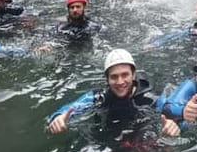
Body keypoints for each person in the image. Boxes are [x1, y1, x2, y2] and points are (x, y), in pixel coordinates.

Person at [46, 49, 180, 139]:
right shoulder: (99, 97)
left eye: (125, 75)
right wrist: (58, 118)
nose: (120, 82)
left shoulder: (151, 100)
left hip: (140, 138)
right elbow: (70, 109)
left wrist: (173, 124)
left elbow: (173, 114)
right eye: (114, 77)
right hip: (108, 136)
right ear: (107, 79)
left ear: (134, 75)